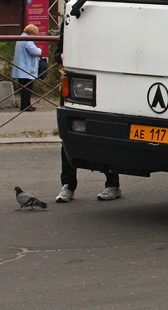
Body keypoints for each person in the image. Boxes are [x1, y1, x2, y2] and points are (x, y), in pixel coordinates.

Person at [53, 22, 122, 203]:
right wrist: (61, 56)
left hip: (102, 84)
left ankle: (112, 184)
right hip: (78, 87)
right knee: (69, 137)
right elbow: (57, 53)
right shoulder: (71, 19)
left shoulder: (105, 21)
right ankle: (67, 185)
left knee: (104, 135)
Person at [11, 24, 42, 112]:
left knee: (24, 88)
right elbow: (34, 51)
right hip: (26, 68)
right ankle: (25, 106)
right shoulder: (27, 40)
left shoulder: (21, 38)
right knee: (27, 88)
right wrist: (40, 50)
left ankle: (26, 105)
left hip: (21, 67)